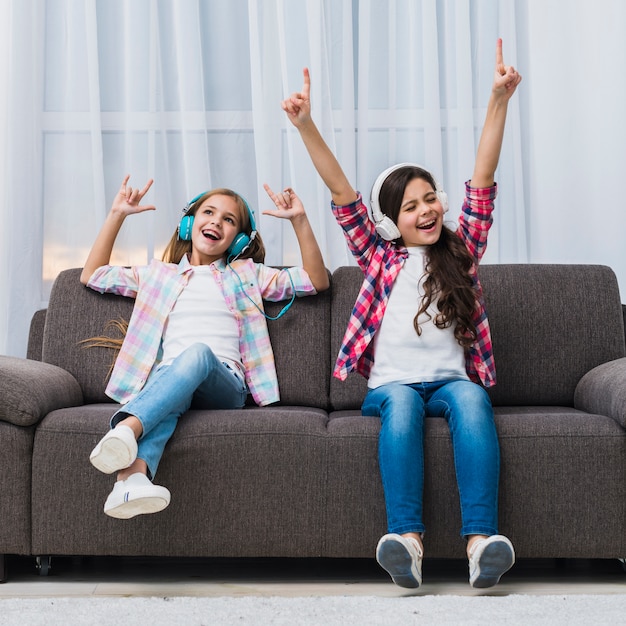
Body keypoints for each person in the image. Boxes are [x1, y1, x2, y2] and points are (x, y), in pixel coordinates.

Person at [281, 39, 521, 589]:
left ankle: (481, 542)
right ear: (390, 222)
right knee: (404, 411)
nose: (427, 209)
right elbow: (341, 191)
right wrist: (306, 126)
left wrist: (498, 100)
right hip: (391, 386)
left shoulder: (461, 252)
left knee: (472, 398)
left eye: (430, 198)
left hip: (450, 381)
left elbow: (482, 180)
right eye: (410, 205)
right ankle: (406, 542)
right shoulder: (378, 257)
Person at [80, 177, 329, 519]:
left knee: (196, 353)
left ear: (239, 239)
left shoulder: (248, 275)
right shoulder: (157, 274)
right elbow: (92, 275)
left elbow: (317, 281)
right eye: (208, 212)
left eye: (229, 220)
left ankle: (125, 427)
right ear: (188, 224)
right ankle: (130, 481)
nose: (216, 221)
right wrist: (116, 215)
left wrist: (299, 220)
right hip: (171, 382)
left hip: (225, 386)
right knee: (169, 391)